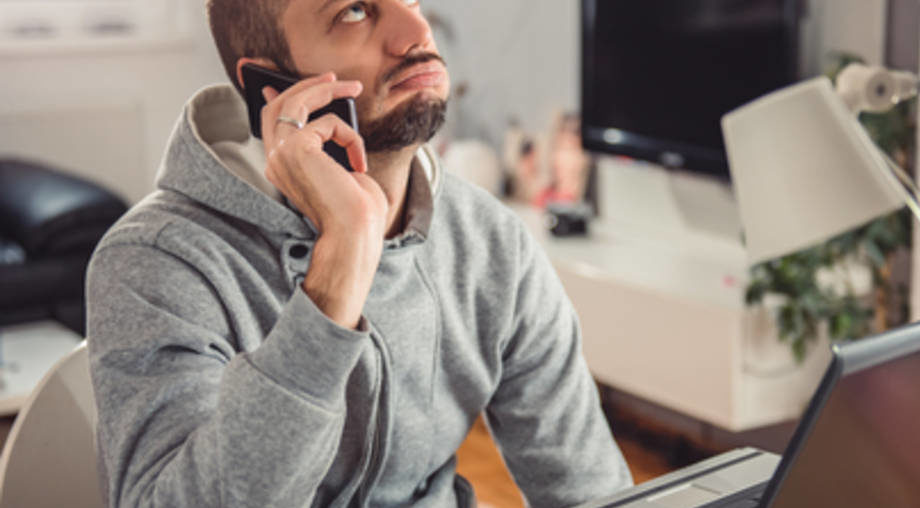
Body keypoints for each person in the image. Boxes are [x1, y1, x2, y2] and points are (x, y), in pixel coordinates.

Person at [85, 0, 633, 506]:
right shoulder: (155, 262)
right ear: (267, 87)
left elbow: (589, 490)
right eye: (354, 11)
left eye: (411, 0)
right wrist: (339, 267)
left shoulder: (490, 243)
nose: (417, 33)